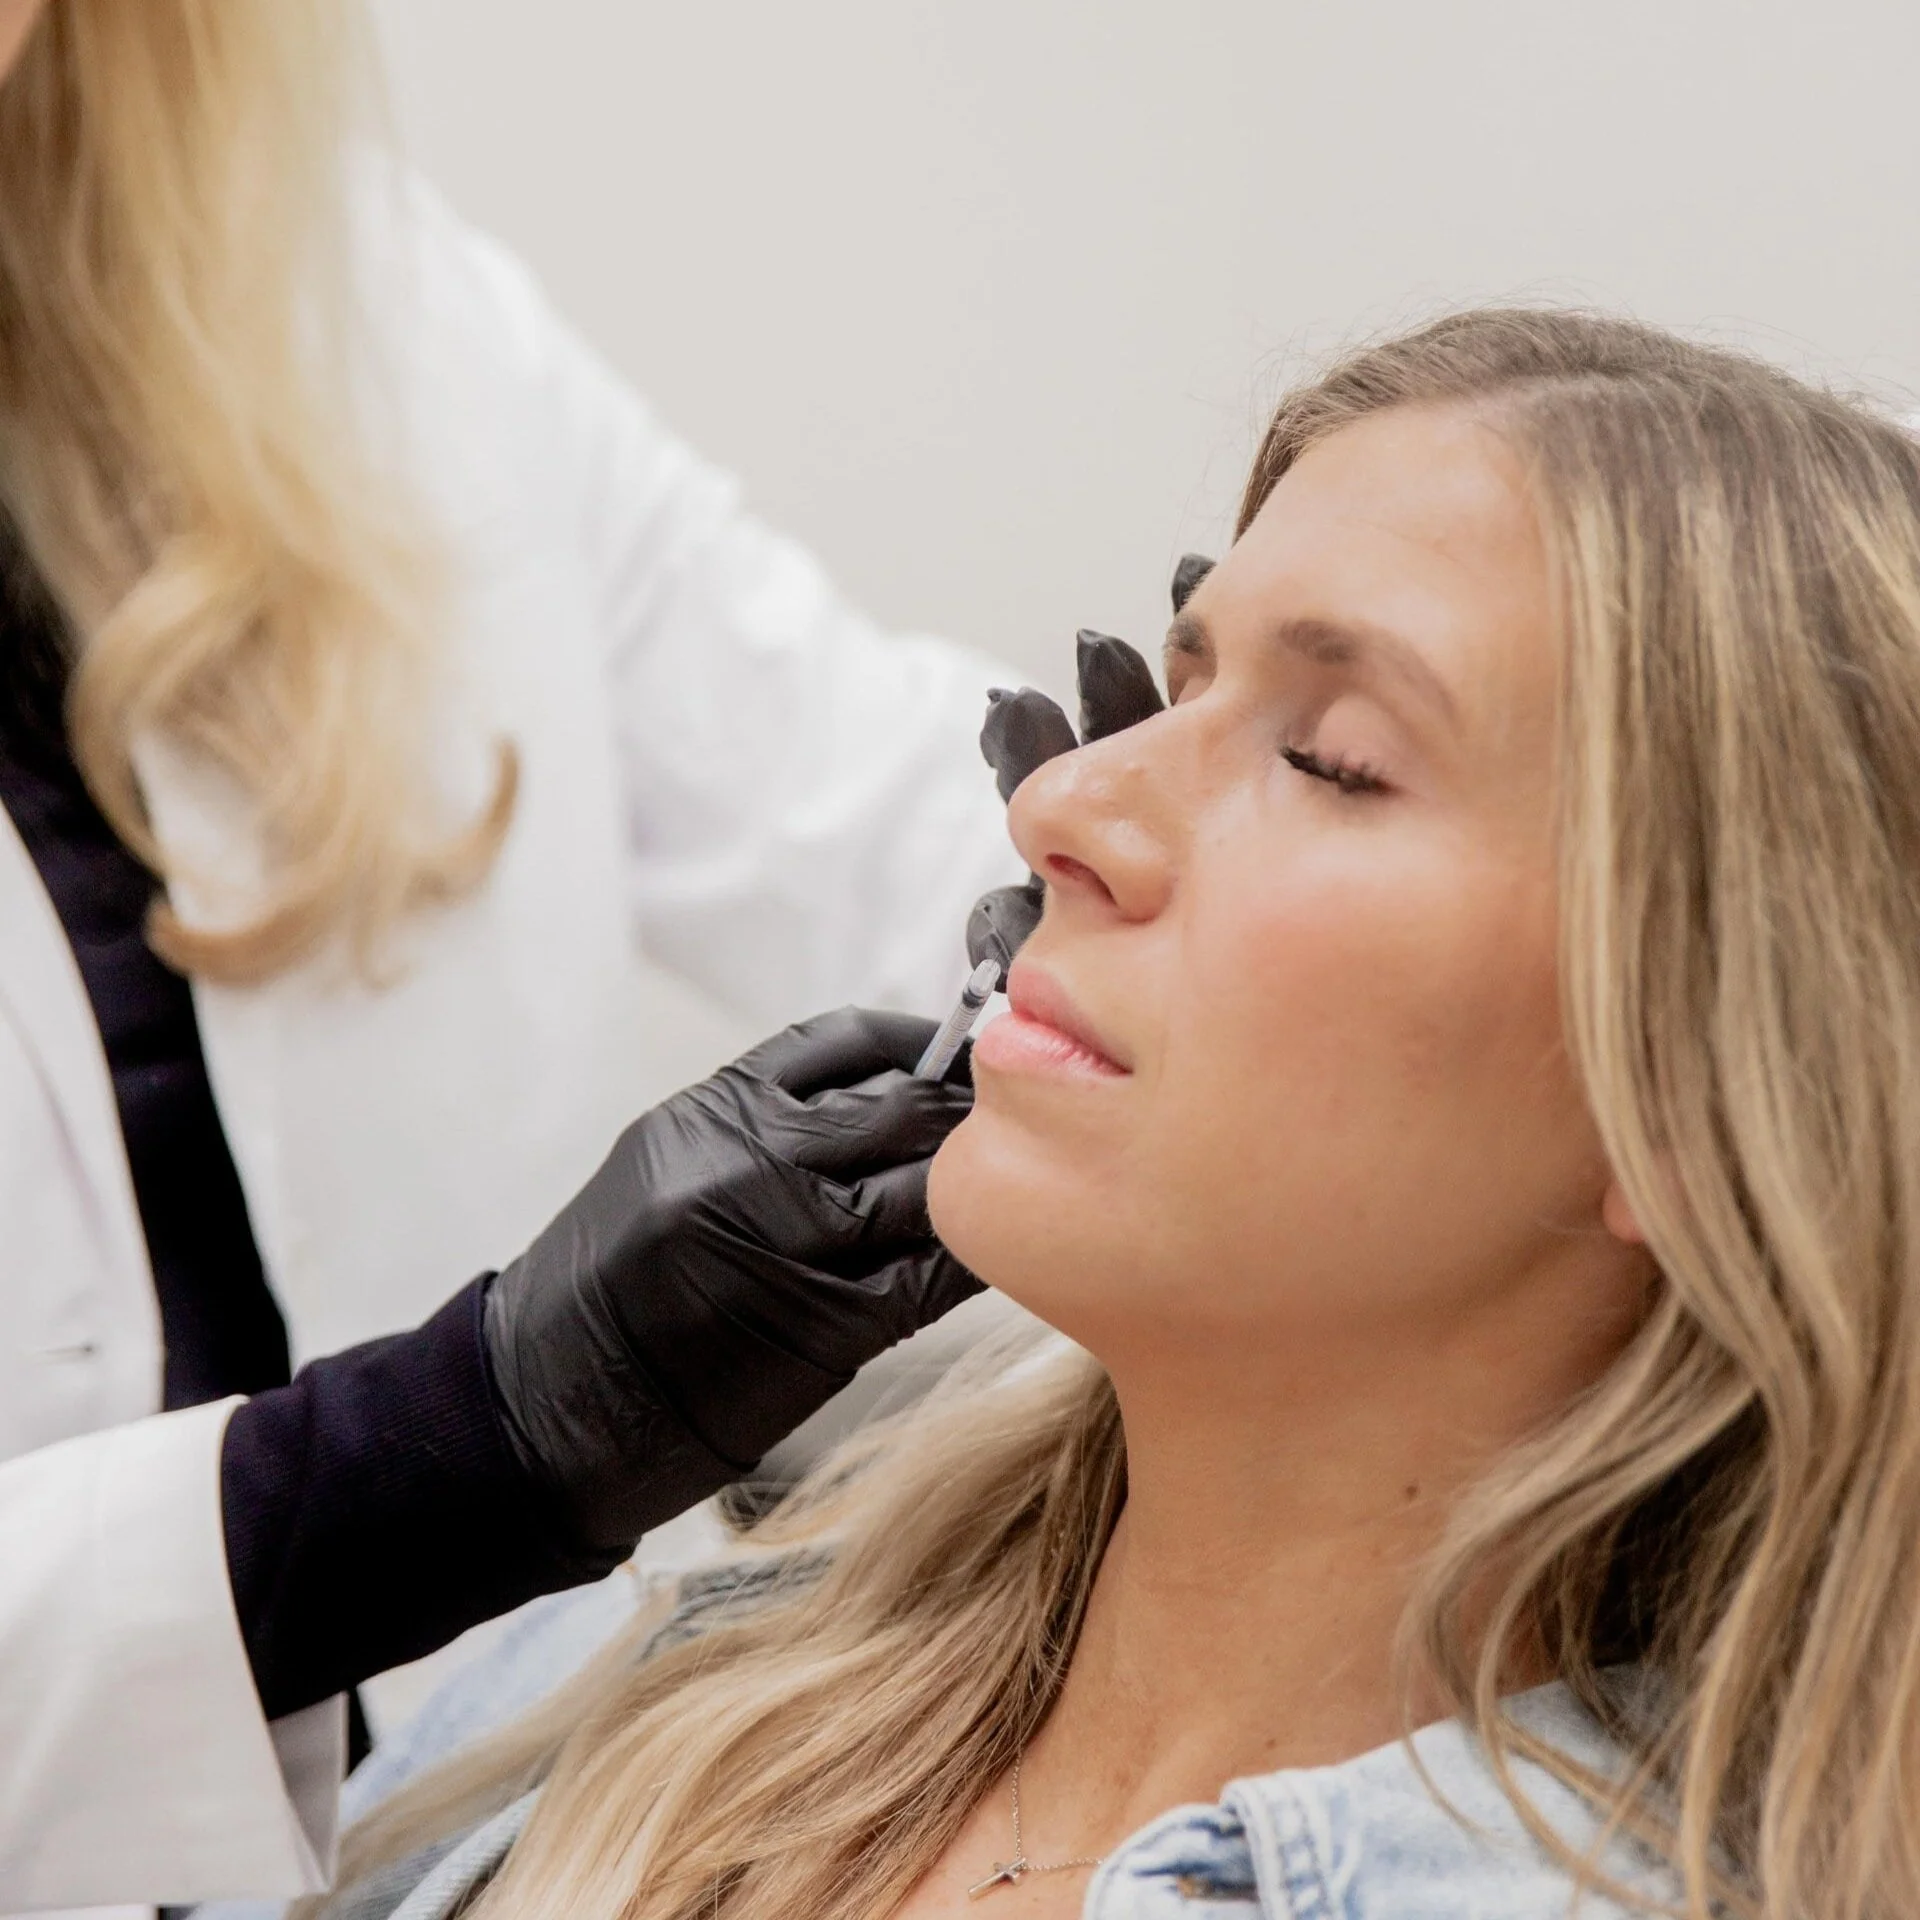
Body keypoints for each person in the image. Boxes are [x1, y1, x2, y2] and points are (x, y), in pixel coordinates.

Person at [307, 309, 1920, 1920]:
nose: (1055, 800)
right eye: (1182, 685)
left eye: (1331, 759)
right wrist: (449, 1449)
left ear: (1702, 1107)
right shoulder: (646, 1673)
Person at [0, 0, 1034, 1905]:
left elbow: (897, 816)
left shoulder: (370, 316)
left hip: (511, 1816)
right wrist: (457, 1449)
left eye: (1332, 763)